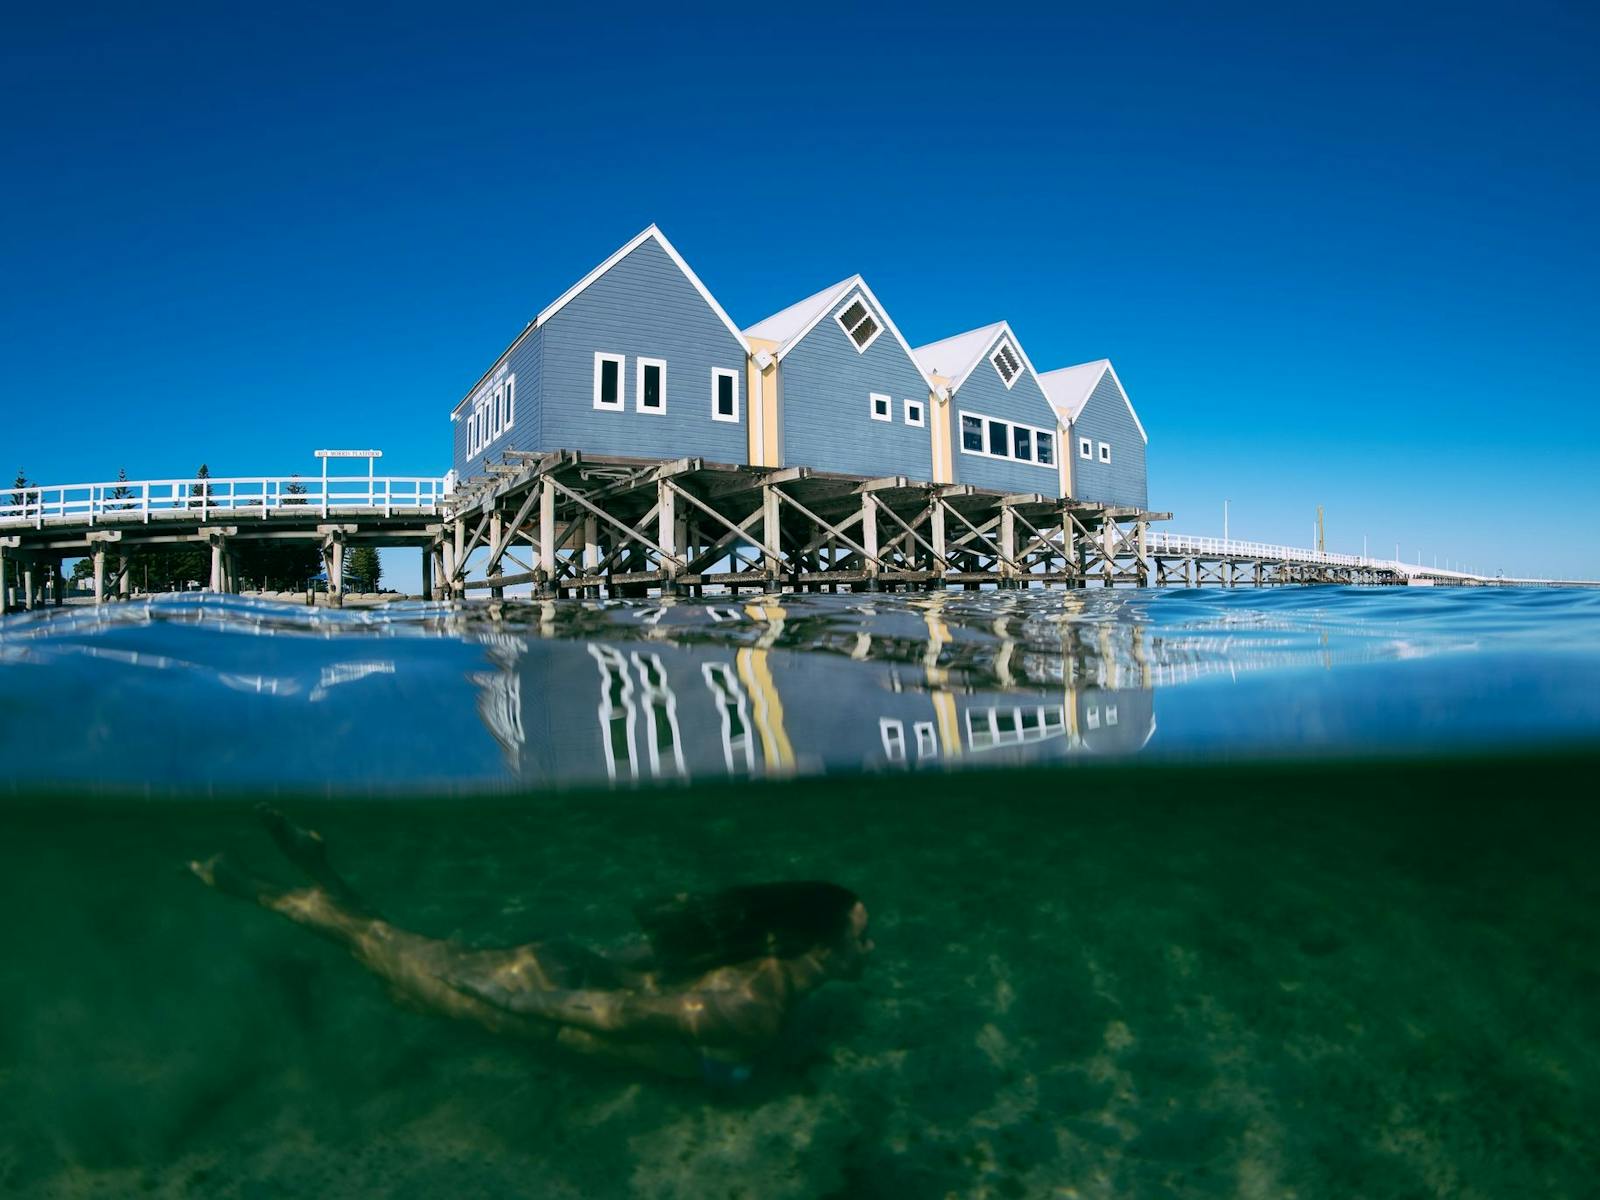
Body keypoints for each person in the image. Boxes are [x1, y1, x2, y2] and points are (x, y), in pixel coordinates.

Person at [190, 808, 873, 1083]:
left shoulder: (761, 971)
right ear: (814, 942)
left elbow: (639, 977)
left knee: (386, 949)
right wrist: (504, 995)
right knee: (369, 942)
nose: (868, 951)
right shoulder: (756, 1006)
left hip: (558, 976)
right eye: (860, 937)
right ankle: (238, 881)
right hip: (538, 1003)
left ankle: (317, 864)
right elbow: (613, 1016)